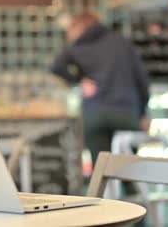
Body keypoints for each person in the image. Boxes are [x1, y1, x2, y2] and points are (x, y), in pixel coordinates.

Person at [51, 11, 150, 164]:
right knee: (130, 172)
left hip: (94, 113)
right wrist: (143, 113)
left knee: (102, 172)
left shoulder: (78, 45)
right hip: (125, 112)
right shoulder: (121, 41)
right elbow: (142, 81)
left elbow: (56, 66)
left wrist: (79, 81)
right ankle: (130, 188)